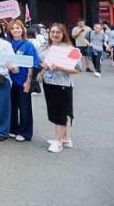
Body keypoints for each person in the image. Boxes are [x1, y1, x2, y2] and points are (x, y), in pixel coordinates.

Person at [40, 23, 81, 153]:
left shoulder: (70, 49)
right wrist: (43, 66)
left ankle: (58, 142)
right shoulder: (46, 47)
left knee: (61, 113)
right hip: (49, 82)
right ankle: (65, 138)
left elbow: (77, 69)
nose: (55, 34)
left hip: (63, 84)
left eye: (58, 32)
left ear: (63, 34)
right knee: (56, 111)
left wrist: (61, 68)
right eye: (52, 32)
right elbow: (41, 62)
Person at [7, 20, 40, 142]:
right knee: (11, 106)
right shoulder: (7, 44)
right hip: (9, 80)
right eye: (13, 28)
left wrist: (28, 81)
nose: (15, 30)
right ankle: (13, 128)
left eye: (18, 28)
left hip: (22, 80)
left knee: (24, 107)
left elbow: (32, 64)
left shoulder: (28, 45)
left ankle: (25, 132)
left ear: (22, 29)